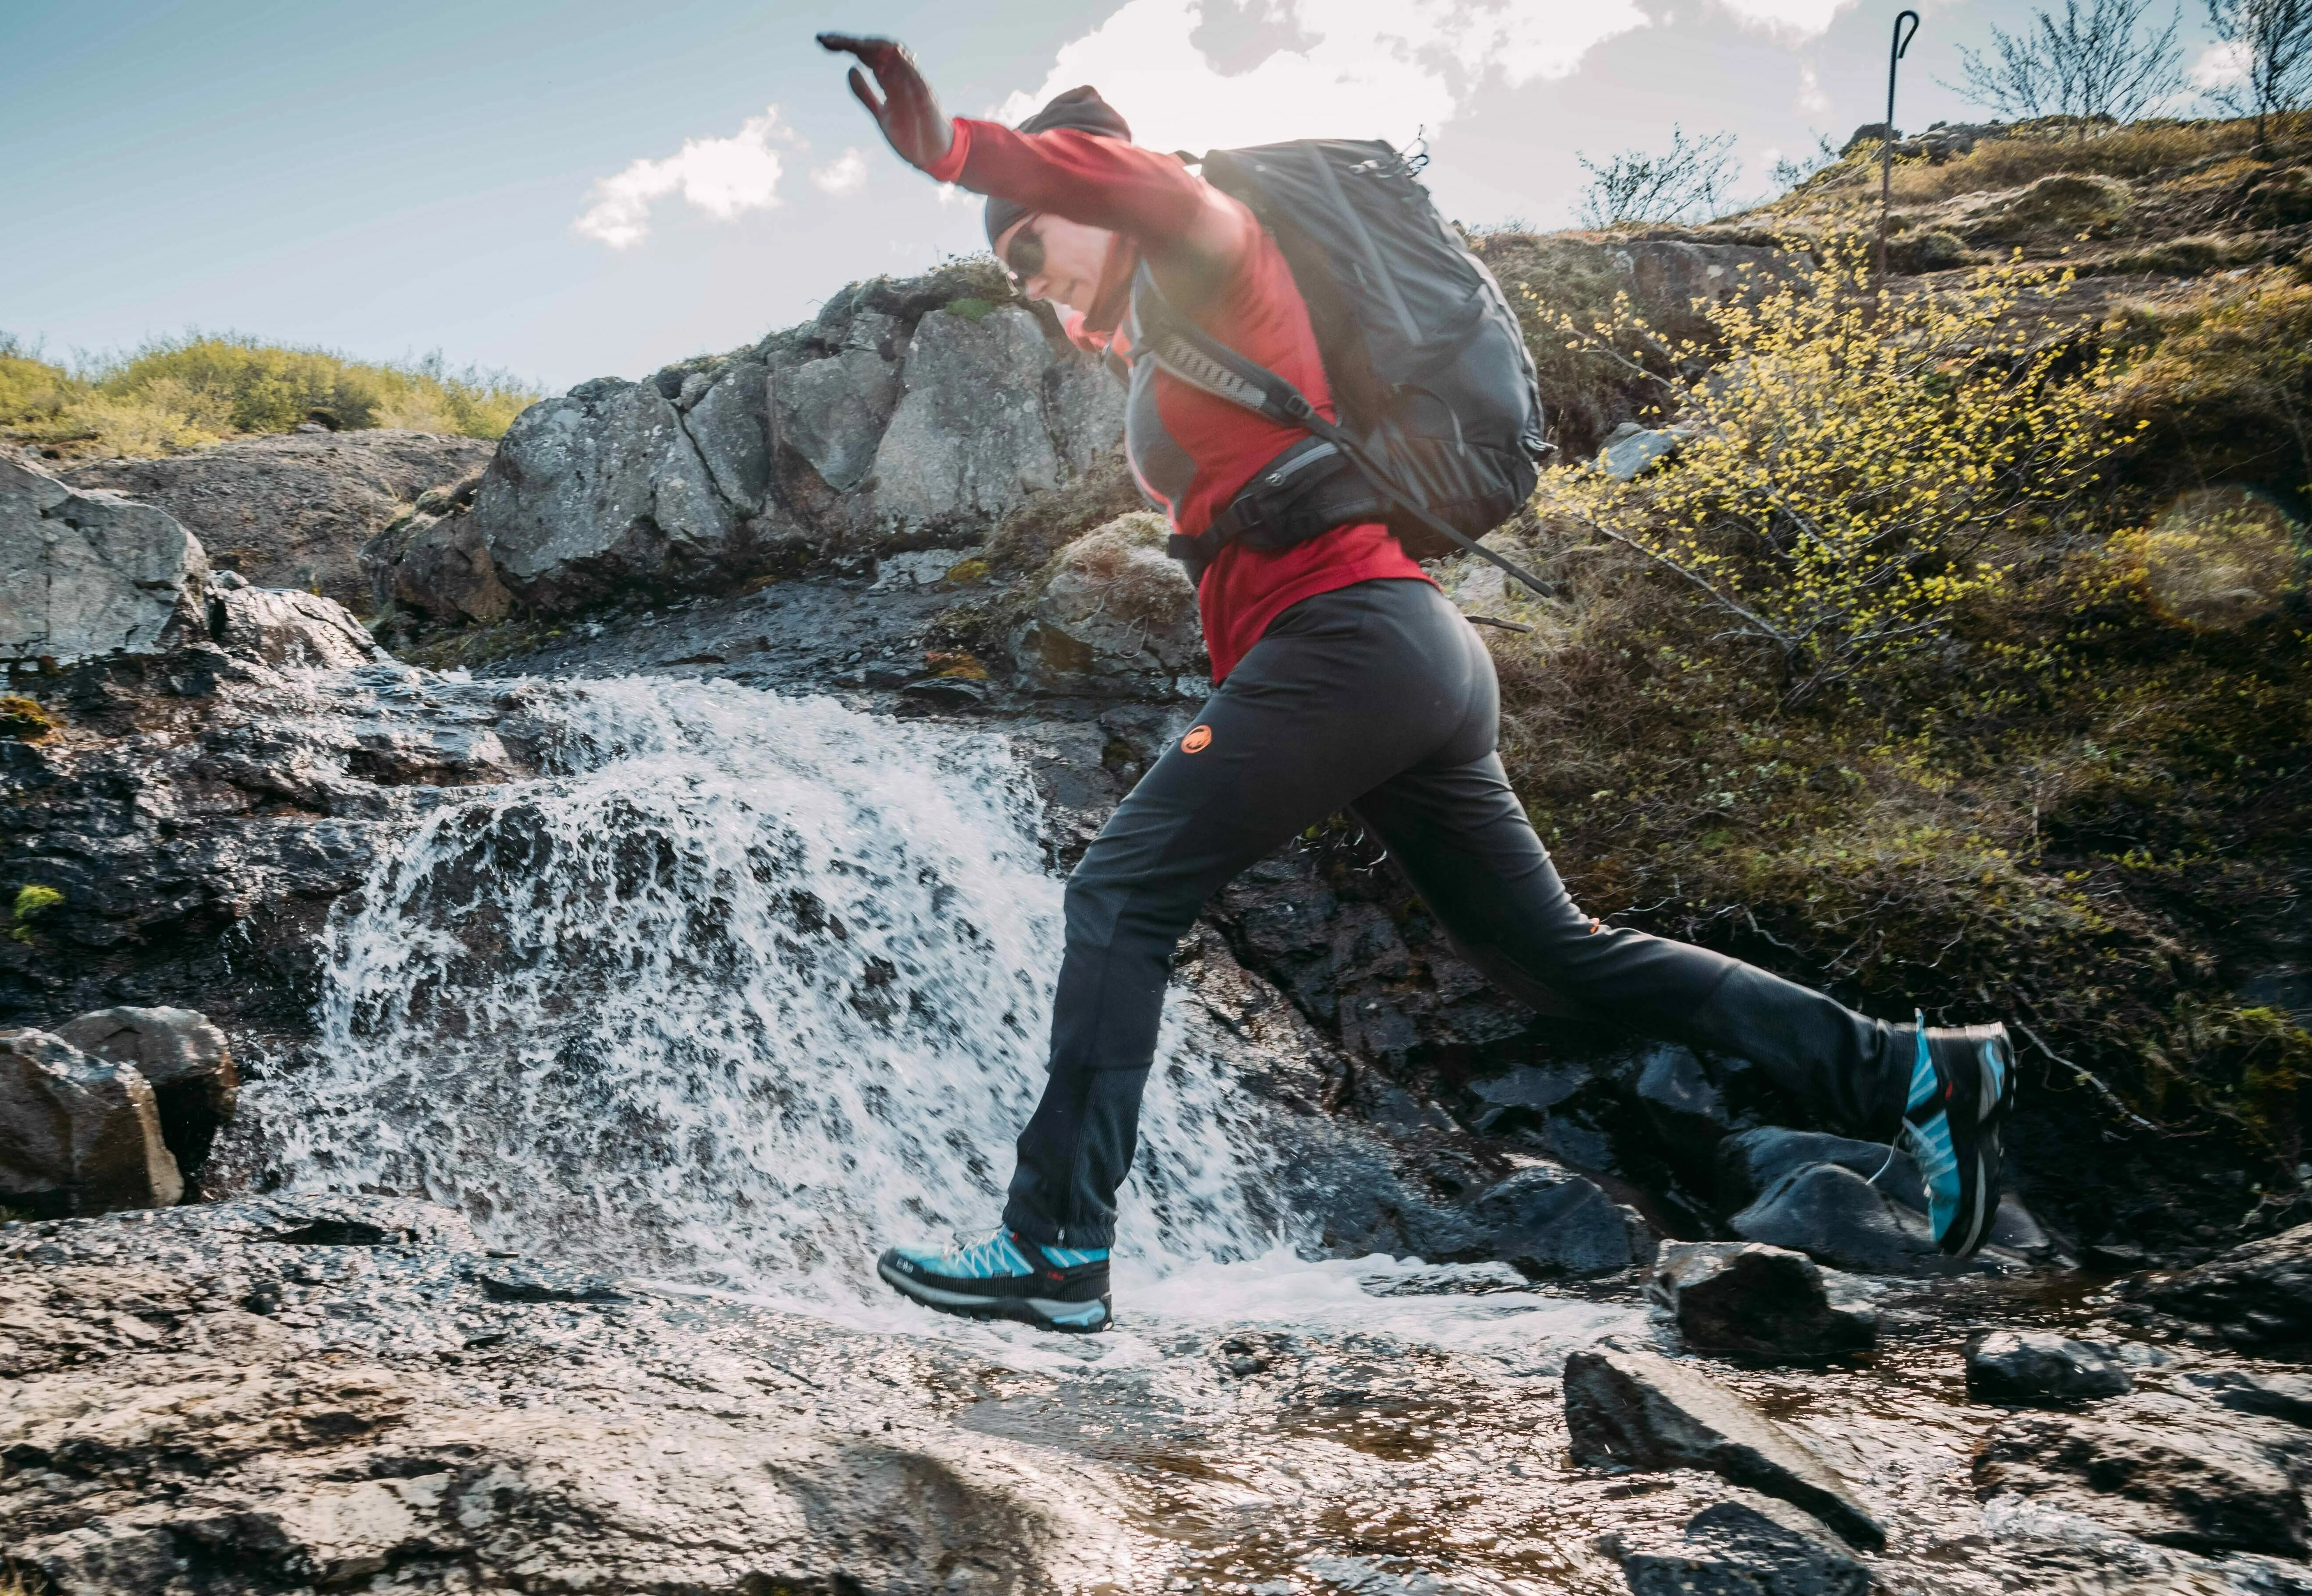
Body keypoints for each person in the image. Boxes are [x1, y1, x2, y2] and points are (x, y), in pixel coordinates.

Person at [819, 34, 2012, 1333]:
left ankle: (1054, 1245)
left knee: (1118, 889)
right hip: (1402, 657)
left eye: (1029, 253)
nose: (1038, 292)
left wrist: (955, 153)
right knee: (1555, 959)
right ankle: (1909, 1071)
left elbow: (1152, 187)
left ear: (1091, 193)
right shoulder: (1169, 334)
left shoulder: (1211, 238)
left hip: (1354, 642)